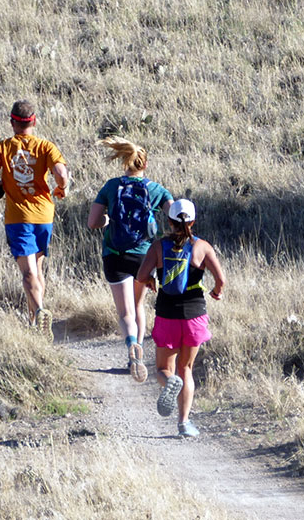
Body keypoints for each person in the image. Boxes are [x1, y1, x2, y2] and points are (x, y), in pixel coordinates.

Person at [0, 99, 70, 341]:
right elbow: (61, 174)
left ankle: (39, 311)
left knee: (28, 271)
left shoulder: (1, 147)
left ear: (12, 123)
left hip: (18, 217)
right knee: (38, 267)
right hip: (44, 215)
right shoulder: (45, 146)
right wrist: (61, 188)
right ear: (34, 121)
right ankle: (34, 324)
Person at [136, 199, 226, 437]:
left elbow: (141, 275)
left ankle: (168, 382)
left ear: (169, 221)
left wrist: (150, 280)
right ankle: (184, 423)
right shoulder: (202, 247)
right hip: (195, 315)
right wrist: (216, 292)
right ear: (193, 221)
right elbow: (221, 280)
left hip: (167, 314)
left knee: (164, 368)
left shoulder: (158, 247)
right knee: (186, 368)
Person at [88, 137, 173, 383]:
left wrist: (108, 221)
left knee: (125, 311)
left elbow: (93, 222)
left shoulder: (111, 186)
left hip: (114, 254)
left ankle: (131, 345)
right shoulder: (156, 189)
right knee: (138, 307)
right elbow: (175, 215)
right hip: (144, 256)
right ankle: (140, 351)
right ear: (145, 163)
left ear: (124, 162)